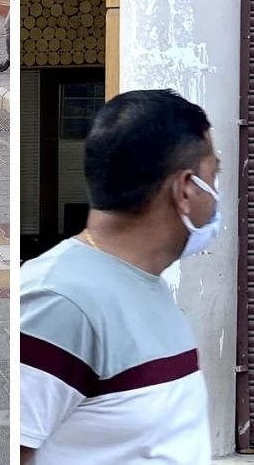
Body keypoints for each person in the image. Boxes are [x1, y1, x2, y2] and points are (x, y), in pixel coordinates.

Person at [20, 89, 216, 464]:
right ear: (186, 189)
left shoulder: (147, 284)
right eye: (214, 175)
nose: (218, 193)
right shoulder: (59, 301)